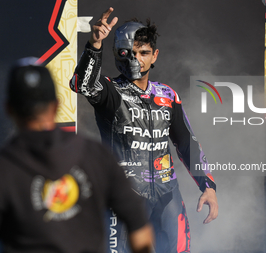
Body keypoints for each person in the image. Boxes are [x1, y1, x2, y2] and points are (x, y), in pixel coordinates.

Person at [70, 7, 218, 253]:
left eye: (143, 52)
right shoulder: (110, 90)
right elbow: (81, 84)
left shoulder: (168, 95)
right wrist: (95, 44)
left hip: (167, 195)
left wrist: (208, 186)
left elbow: (186, 143)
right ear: (119, 53)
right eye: (129, 52)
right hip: (123, 197)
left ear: (155, 55)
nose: (135, 59)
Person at [0, 57, 153, 253]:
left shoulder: (5, 167)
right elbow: (138, 226)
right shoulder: (96, 155)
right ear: (56, 106)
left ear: (9, 109)